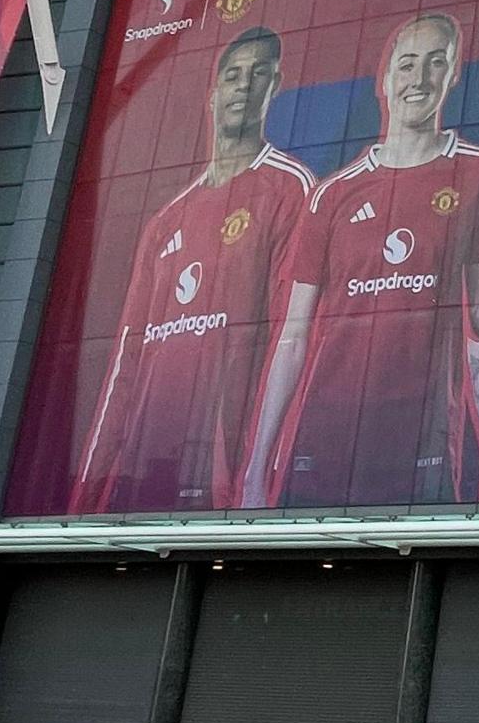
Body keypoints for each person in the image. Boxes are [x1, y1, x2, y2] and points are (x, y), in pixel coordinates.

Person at [238, 13, 479, 507]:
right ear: (386, 79)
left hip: (424, 433)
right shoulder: (334, 194)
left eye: (436, 63)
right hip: (326, 432)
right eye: (408, 65)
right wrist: (254, 472)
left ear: (453, 74)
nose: (420, 79)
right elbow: (293, 336)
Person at [74, 26, 313, 512]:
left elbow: (288, 340)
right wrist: (89, 493)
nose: (243, 85)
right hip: (145, 465)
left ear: (275, 86)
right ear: (213, 94)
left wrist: (252, 472)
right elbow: (126, 360)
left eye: (258, 74)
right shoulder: (166, 221)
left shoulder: (290, 189)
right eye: (233, 75)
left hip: (225, 471)